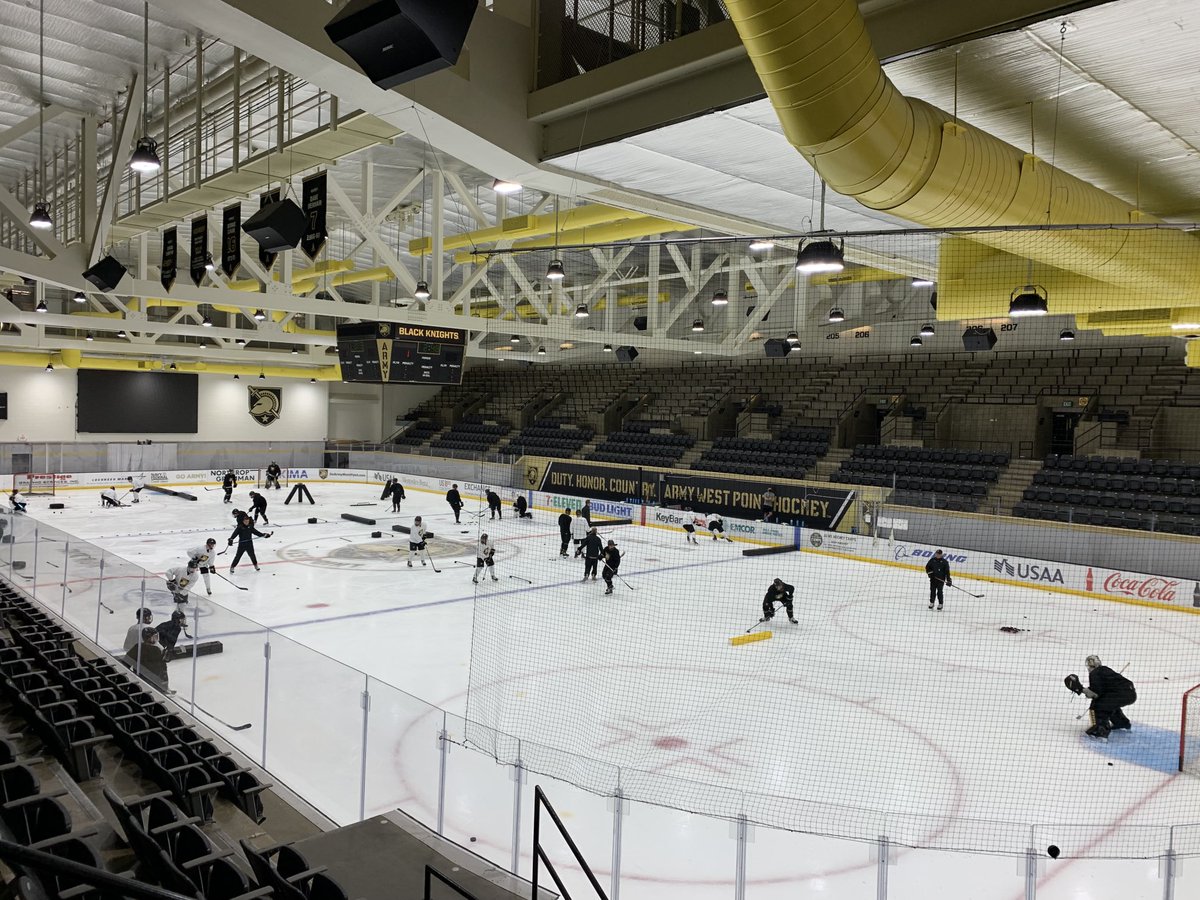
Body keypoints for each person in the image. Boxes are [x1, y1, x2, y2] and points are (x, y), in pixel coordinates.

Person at [1066, 655, 1136, 740]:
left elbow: (1096, 694)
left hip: (1120, 694)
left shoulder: (1095, 673)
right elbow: (1102, 690)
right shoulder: (1105, 669)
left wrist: (1080, 689)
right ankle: (1121, 723)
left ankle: (1100, 730)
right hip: (1130, 693)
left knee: (1097, 704)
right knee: (1108, 703)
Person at [124, 627, 171, 694]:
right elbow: (163, 669)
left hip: (140, 679)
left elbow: (126, 661)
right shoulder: (157, 650)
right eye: (154, 637)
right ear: (148, 638)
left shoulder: (138, 646)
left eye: (157, 636)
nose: (156, 639)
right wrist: (164, 686)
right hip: (152, 683)